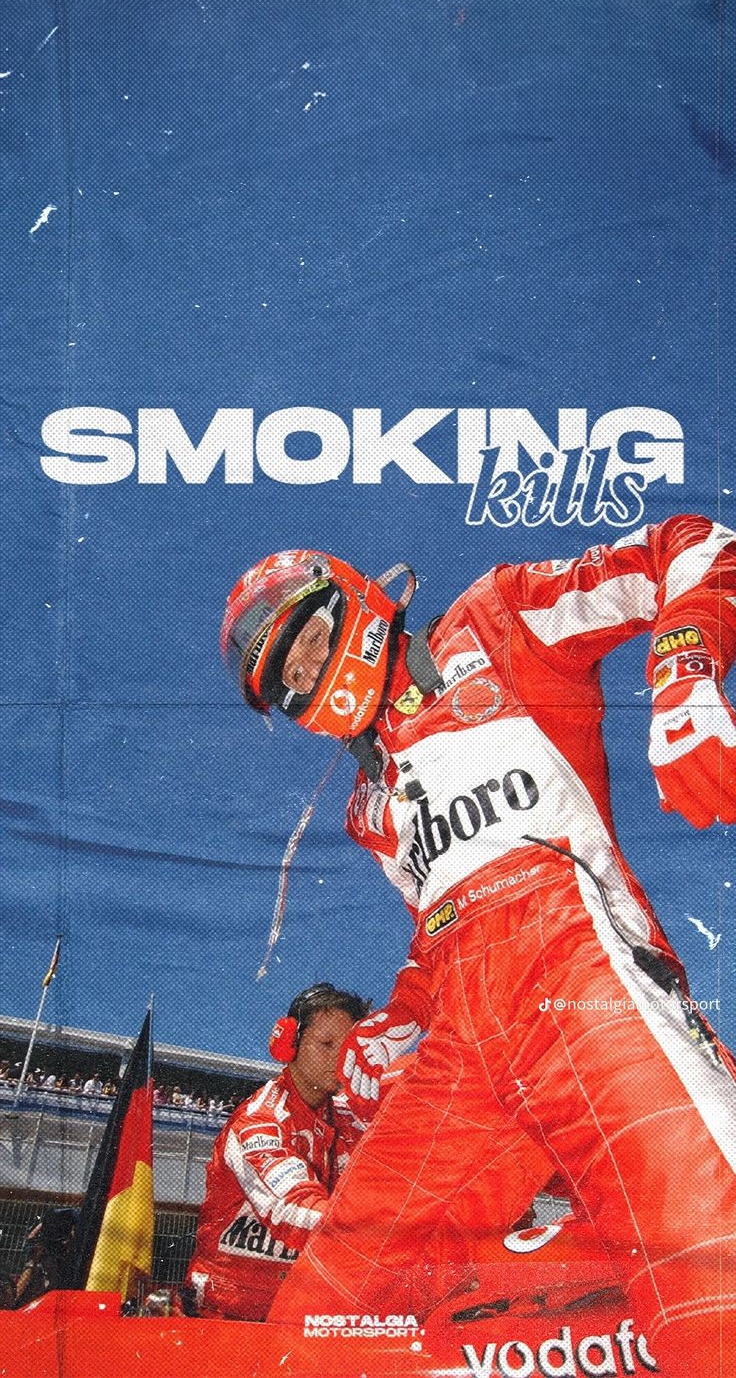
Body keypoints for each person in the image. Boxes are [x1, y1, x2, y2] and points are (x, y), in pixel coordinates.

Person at [220, 521, 736, 1377]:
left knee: (714, 1276)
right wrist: (401, 1014)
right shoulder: (370, 808)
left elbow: (691, 543)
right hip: (466, 1048)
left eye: (308, 641)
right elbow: (440, 931)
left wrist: (685, 669)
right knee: (322, 1322)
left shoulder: (495, 621)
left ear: (354, 598)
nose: (309, 676)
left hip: (584, 981)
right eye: (292, 680)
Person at [184, 982, 370, 1321]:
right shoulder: (259, 1122)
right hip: (229, 1311)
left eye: (347, 1049)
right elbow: (296, 1211)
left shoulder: (346, 1117)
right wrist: (383, 1234)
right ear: (289, 1044)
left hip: (300, 1303)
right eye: (326, 1044)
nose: (338, 1059)